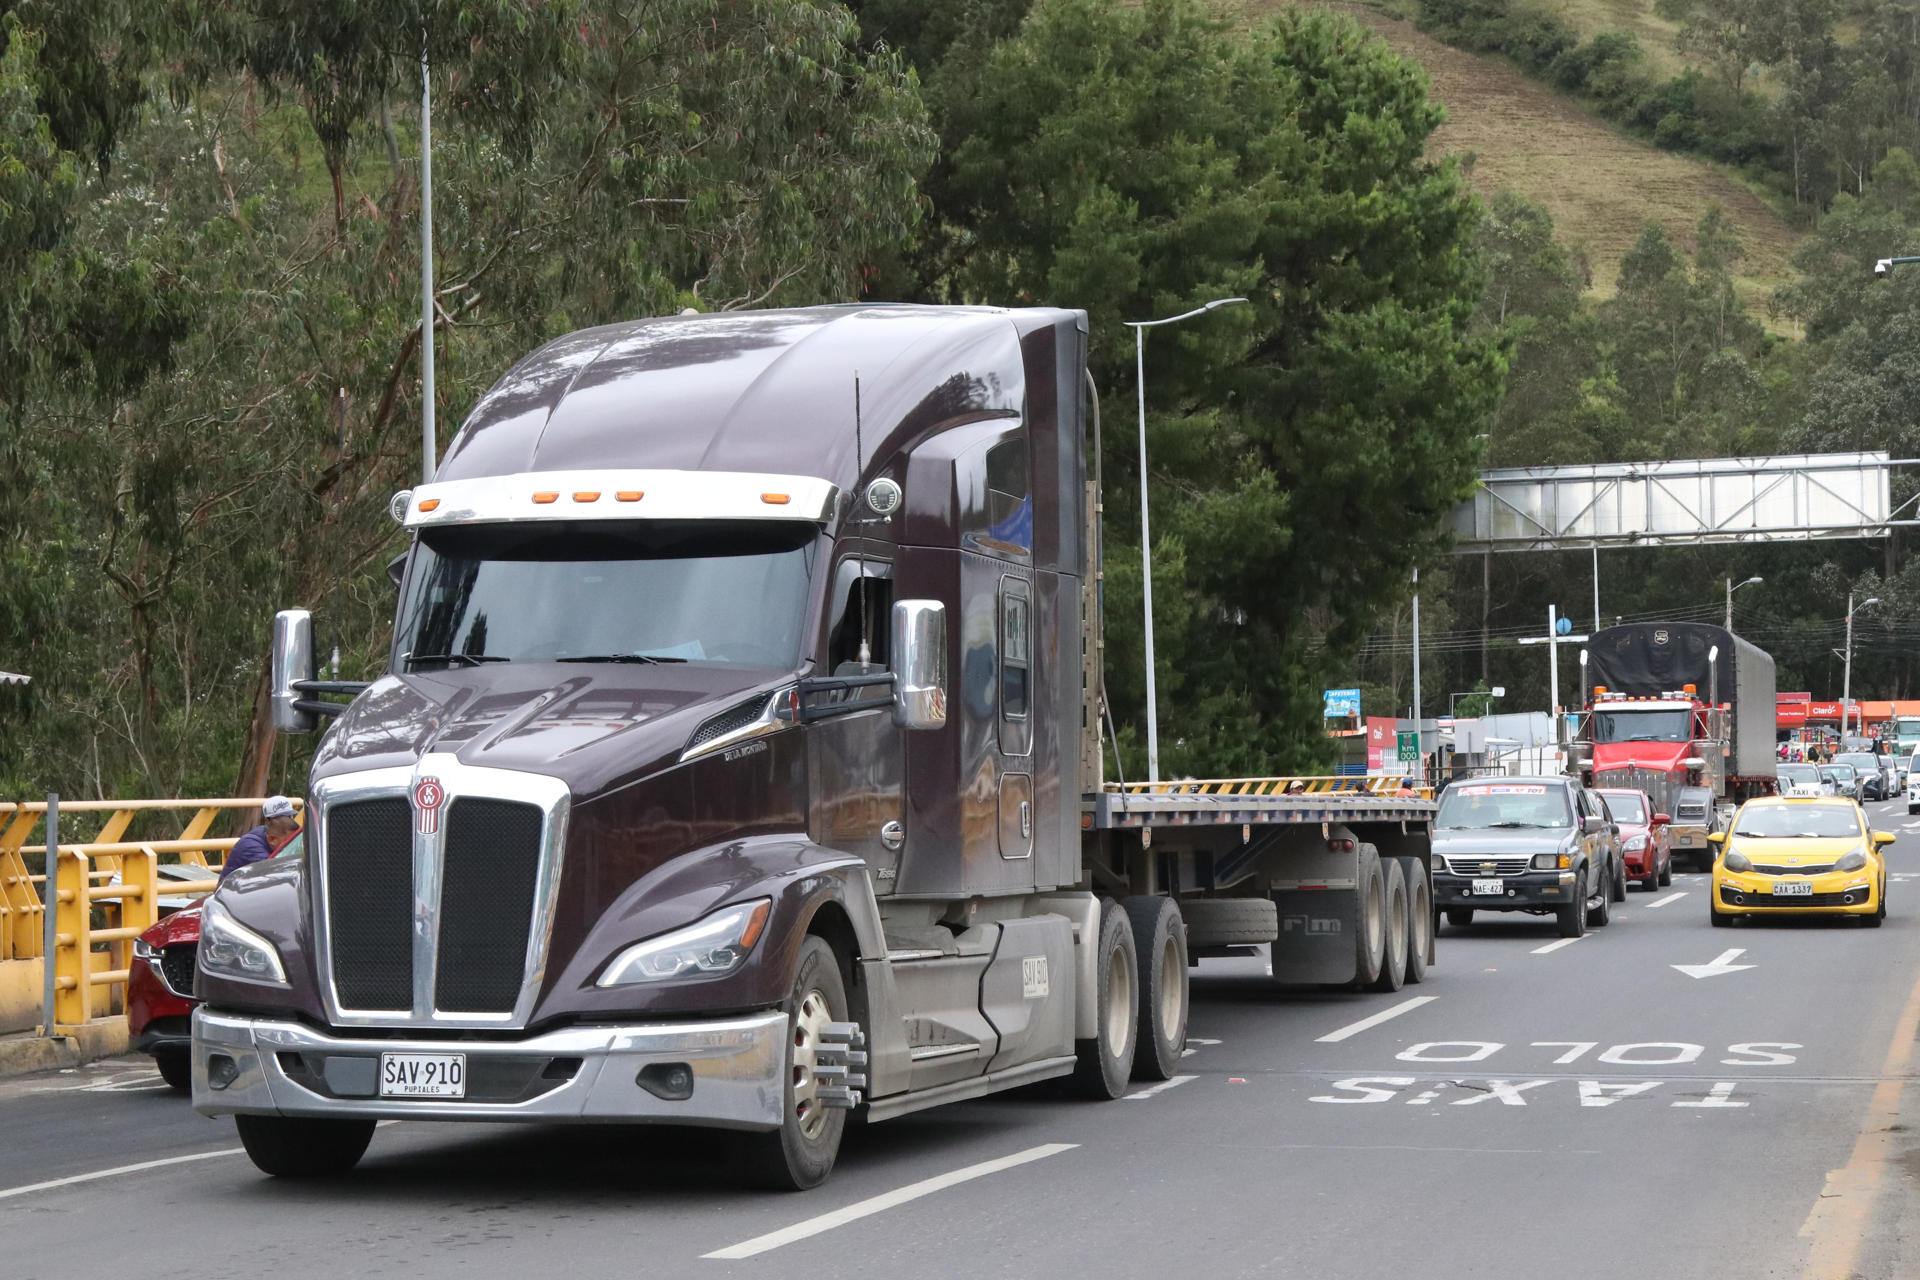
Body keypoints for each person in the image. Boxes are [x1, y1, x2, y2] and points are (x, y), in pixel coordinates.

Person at [221, 796, 300, 881]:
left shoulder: (280, 834)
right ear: (267, 821)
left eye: (289, 816)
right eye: (280, 818)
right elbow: (276, 872)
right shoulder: (251, 845)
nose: (286, 821)